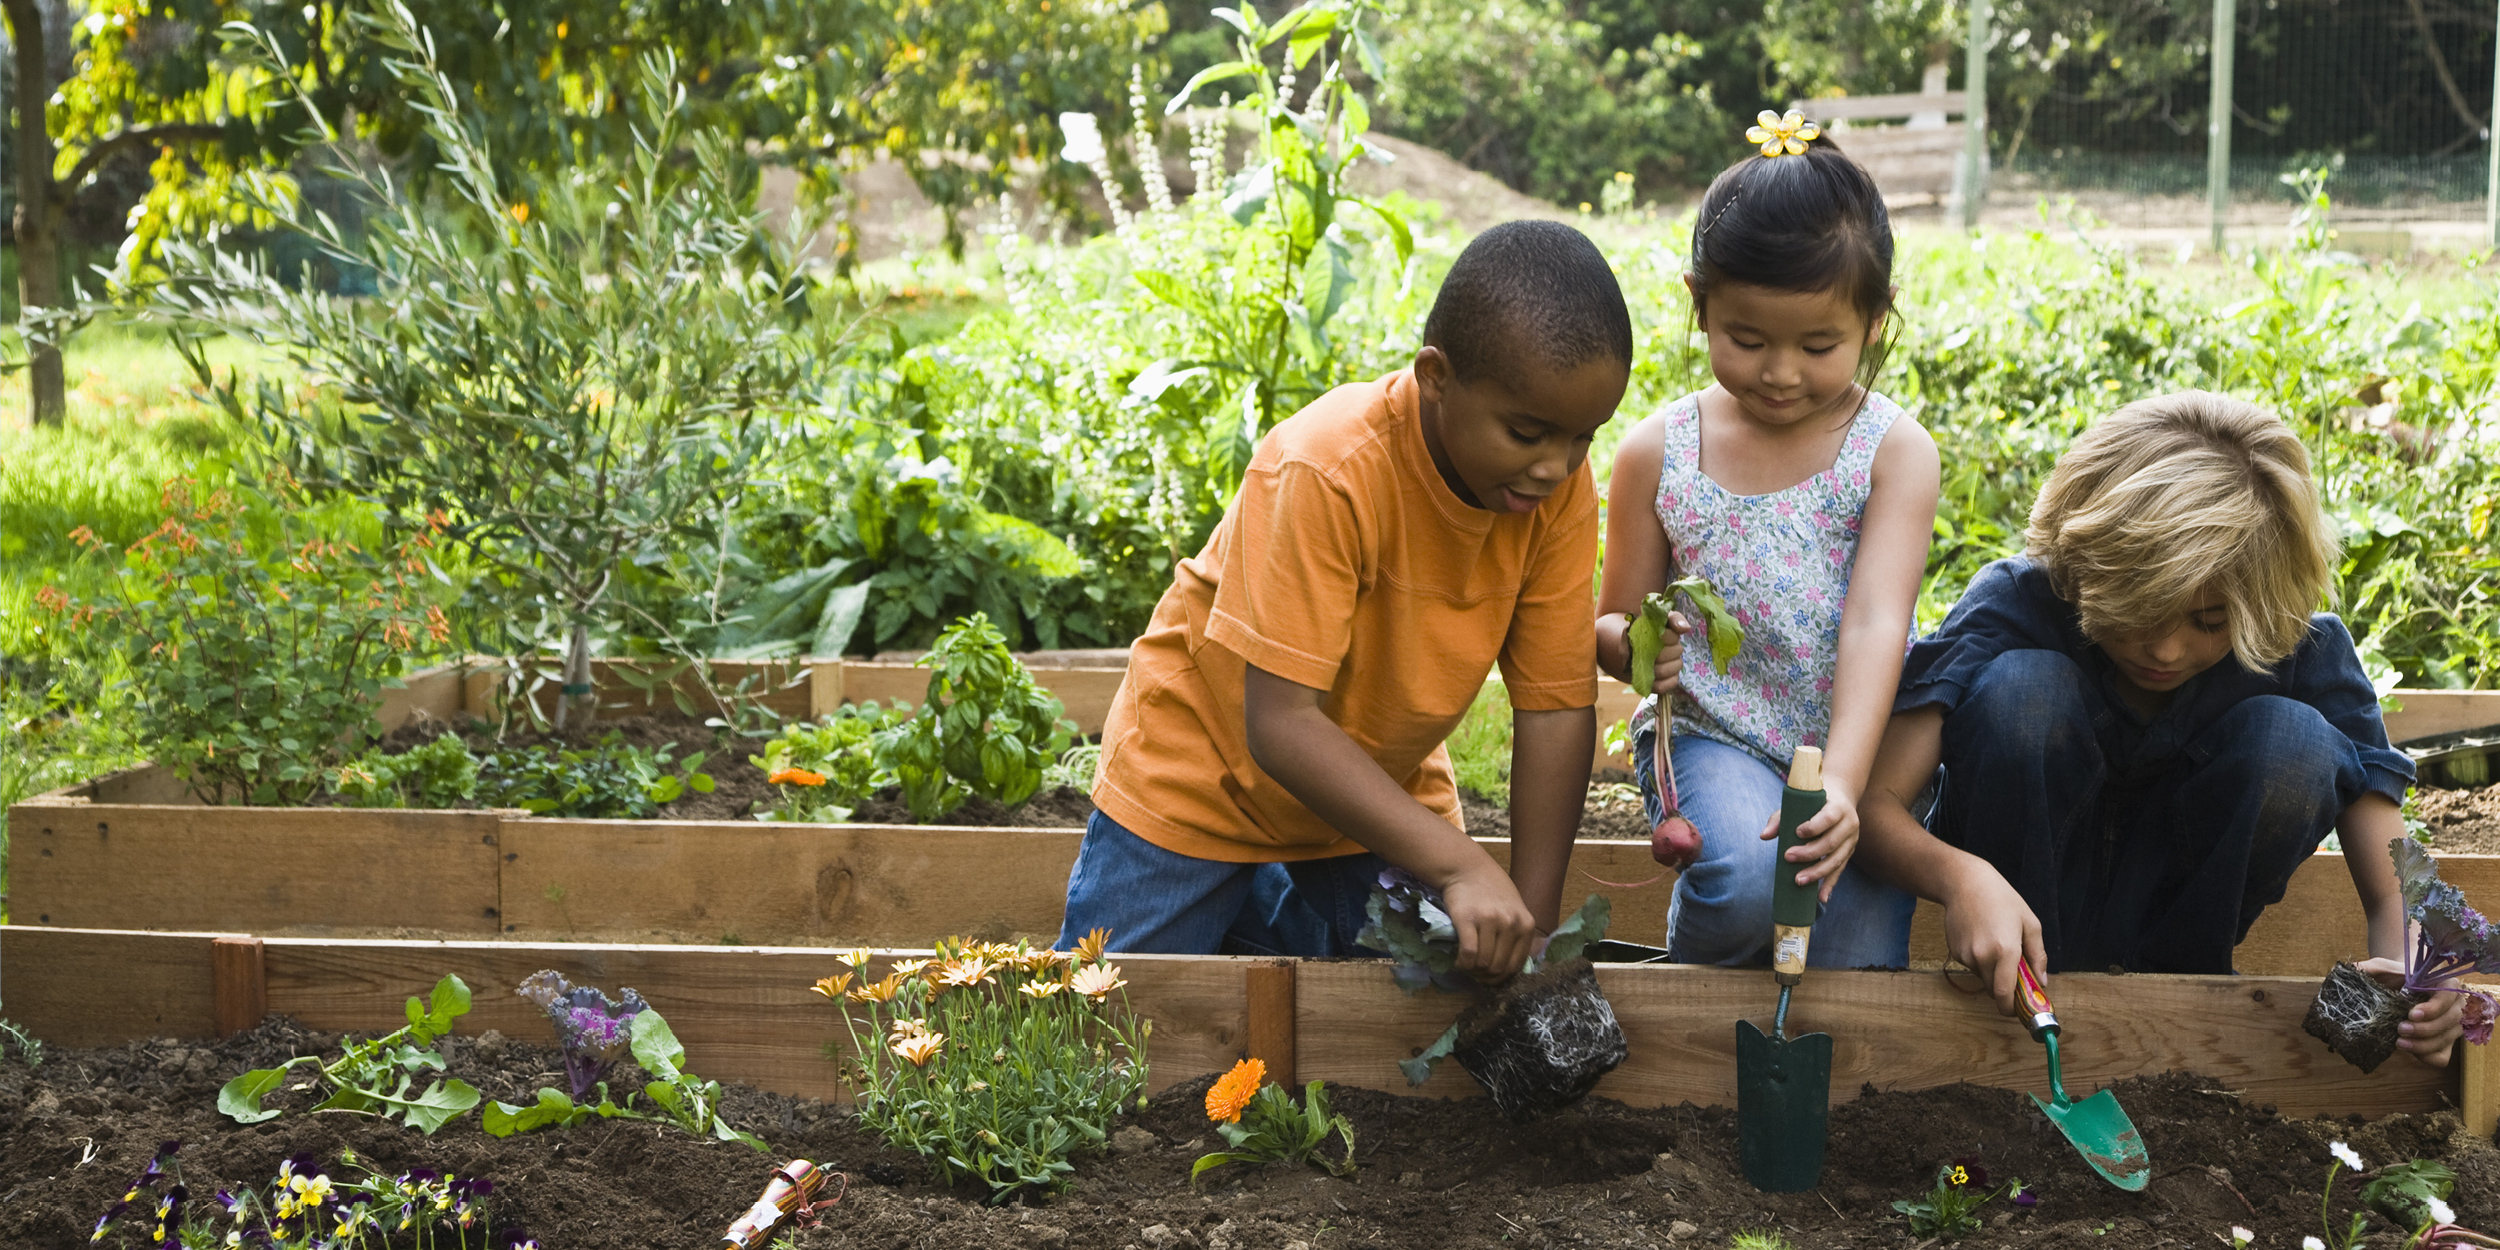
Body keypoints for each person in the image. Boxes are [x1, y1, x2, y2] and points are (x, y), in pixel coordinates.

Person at [1057, 220, 1629, 979]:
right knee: (1104, 1017)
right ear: (1436, 377)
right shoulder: (1327, 469)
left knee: (1437, 992)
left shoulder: (1551, 491)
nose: (1556, 466)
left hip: (1374, 789)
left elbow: (1556, 709)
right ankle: (1247, 896)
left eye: (1583, 439)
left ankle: (1259, 908)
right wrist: (1461, 867)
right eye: (1526, 432)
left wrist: (1530, 925)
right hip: (1204, 775)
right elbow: (1281, 725)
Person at [1852, 391, 2464, 1064]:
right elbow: (1876, 809)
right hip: (2018, 949)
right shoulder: (2018, 604)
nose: (2166, 650)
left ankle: (2180, 1003)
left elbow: (2396, 879)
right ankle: (2032, 995)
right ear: (2083, 567)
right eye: (2140, 615)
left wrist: (2422, 971)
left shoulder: (2300, 649)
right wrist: (1959, 878)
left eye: (2208, 623)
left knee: (2295, 744)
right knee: (2024, 692)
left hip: (2188, 939)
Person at [1593, 118, 1940, 966]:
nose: (1780, 372)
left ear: (1873, 318)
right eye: (1746, 340)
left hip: (1855, 742)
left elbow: (1874, 625)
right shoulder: (1657, 452)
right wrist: (1641, 651)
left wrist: (1847, 788)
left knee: (1851, 975)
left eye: (1818, 345)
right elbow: (1607, 625)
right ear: (1699, 303)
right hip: (1718, 735)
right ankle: (1687, 1024)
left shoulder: (1892, 453)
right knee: (1748, 884)